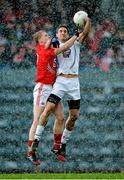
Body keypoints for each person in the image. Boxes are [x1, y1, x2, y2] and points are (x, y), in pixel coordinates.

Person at [32, 16, 91, 161]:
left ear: (68, 33)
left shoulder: (76, 42)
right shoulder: (53, 44)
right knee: (48, 109)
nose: (63, 33)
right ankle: (36, 141)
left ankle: (61, 145)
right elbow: (44, 49)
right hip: (60, 81)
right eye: (60, 31)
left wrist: (87, 20)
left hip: (74, 82)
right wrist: (47, 39)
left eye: (65, 31)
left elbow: (86, 33)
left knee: (74, 116)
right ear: (57, 34)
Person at [27, 29, 79, 165]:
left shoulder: (49, 47)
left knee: (61, 117)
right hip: (42, 87)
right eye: (45, 35)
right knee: (37, 119)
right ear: (39, 40)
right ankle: (30, 151)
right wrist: (75, 35)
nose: (48, 36)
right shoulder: (43, 50)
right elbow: (66, 46)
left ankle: (56, 147)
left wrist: (54, 40)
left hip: (53, 87)